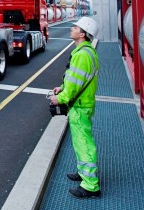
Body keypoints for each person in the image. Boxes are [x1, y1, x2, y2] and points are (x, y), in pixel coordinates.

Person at [49, 17, 101, 198]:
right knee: (79, 143)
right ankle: (82, 173)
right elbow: (77, 81)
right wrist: (63, 88)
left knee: (85, 145)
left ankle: (90, 186)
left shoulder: (81, 55)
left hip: (79, 106)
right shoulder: (86, 52)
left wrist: (60, 98)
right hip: (81, 104)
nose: (72, 29)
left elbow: (75, 86)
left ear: (83, 34)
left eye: (75, 27)